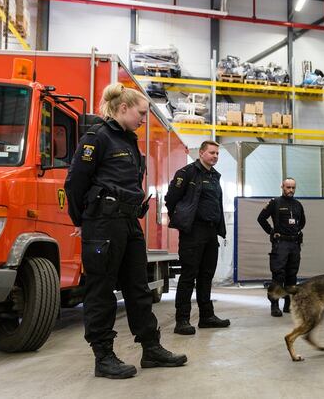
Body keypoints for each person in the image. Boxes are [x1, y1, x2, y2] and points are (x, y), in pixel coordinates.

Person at [65, 83, 187, 379]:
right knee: (101, 290)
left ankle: (151, 348)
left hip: (129, 221)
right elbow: (74, 183)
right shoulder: (98, 137)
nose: (144, 119)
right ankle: (103, 356)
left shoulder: (129, 140)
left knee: (138, 287)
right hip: (104, 223)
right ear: (123, 108)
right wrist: (85, 221)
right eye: (141, 113)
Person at [165, 140, 230, 335]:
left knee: (206, 276)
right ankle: (182, 320)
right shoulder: (187, 173)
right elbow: (171, 199)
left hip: (211, 232)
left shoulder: (214, 176)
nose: (215, 156)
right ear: (201, 153)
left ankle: (206, 317)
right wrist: (183, 219)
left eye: (217, 154)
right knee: (188, 276)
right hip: (193, 232)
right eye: (212, 153)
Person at [257, 178, 306, 317]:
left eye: (293, 188)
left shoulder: (298, 205)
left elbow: (302, 222)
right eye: (288, 187)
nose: (290, 190)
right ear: (282, 187)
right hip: (281, 244)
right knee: (278, 275)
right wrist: (271, 231)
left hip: (294, 244)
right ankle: (274, 305)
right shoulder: (275, 202)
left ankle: (288, 305)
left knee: (292, 275)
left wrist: (294, 231)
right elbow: (261, 218)